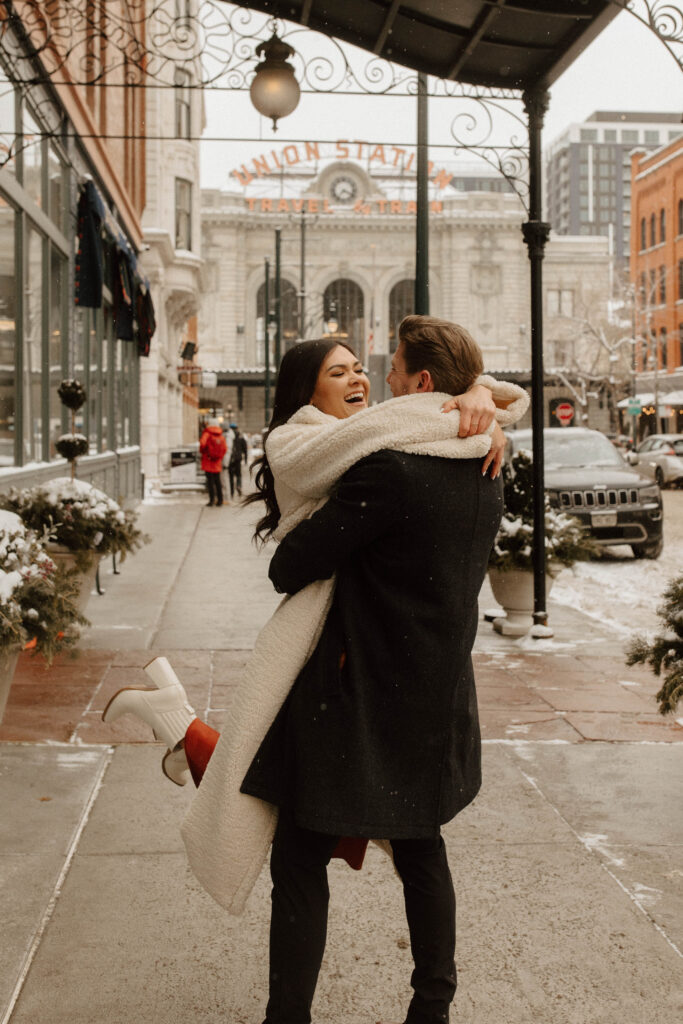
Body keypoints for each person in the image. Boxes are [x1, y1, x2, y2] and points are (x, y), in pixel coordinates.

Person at [103, 319, 529, 1024]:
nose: (379, 381)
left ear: (423, 383)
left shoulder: (386, 469)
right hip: (436, 691)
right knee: (421, 851)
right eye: (351, 371)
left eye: (389, 369)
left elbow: (287, 568)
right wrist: (475, 397)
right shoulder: (483, 462)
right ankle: (432, 1007)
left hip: (356, 691)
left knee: (298, 858)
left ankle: (287, 1016)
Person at [199, 417, 227, 507]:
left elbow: (202, 444)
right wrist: (220, 457)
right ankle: (220, 500)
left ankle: (211, 500)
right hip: (217, 462)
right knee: (217, 481)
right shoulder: (220, 435)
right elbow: (225, 448)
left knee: (210, 482)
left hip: (208, 461)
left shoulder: (207, 433)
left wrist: (204, 452)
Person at [228, 422, 248, 498]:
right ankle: (239, 486)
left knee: (230, 475)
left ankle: (231, 491)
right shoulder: (241, 437)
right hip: (238, 458)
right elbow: (245, 449)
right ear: (237, 428)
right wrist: (245, 459)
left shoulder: (229, 437)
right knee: (238, 474)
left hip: (230, 459)